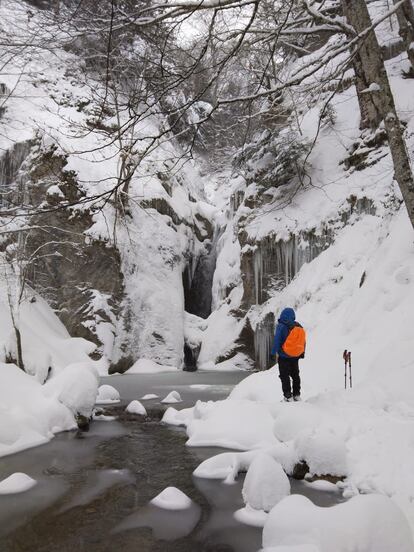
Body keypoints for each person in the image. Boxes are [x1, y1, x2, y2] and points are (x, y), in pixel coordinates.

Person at [270, 307, 306, 402]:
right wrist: (302, 353)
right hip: (295, 356)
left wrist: (273, 353)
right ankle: (297, 395)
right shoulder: (298, 326)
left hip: (284, 356)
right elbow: (302, 341)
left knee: (284, 376)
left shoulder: (281, 326)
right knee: (295, 375)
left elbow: (277, 340)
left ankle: (288, 396)